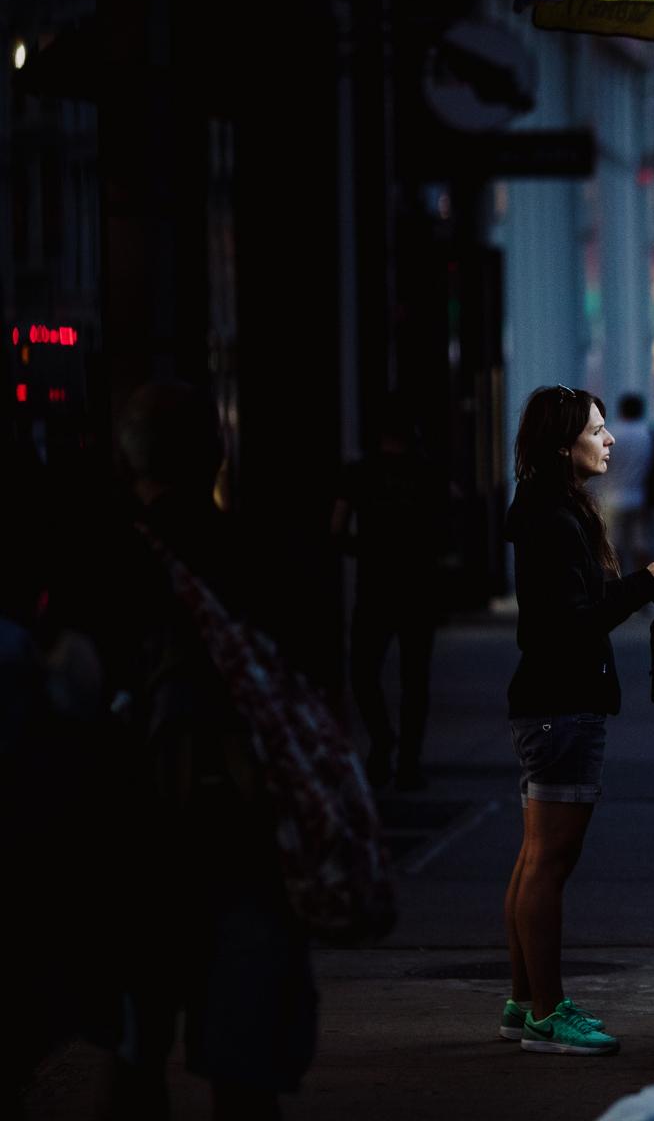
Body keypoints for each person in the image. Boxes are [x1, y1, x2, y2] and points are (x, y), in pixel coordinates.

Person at [97, 382, 318, 1116]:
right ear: (217, 455)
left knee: (136, 1055)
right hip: (246, 828)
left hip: (139, 827)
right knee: (243, 1065)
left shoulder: (113, 563)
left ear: (132, 463)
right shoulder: (257, 552)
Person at [500, 384, 654, 1056]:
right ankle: (547, 1012)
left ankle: (524, 1001)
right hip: (561, 705)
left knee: (537, 857)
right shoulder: (552, 518)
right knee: (550, 863)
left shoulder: (549, 509)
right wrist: (649, 581)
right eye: (597, 430)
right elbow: (570, 622)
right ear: (565, 445)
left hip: (552, 703)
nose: (611, 439)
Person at [331, 398, 447, 789]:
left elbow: (337, 528)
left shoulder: (359, 473)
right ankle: (409, 763)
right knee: (416, 679)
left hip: (374, 585)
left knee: (364, 672)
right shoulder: (428, 472)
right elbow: (447, 524)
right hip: (418, 587)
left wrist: (364, 548)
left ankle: (382, 742)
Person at [601, 391, 654, 570]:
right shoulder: (646, 434)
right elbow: (652, 468)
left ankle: (615, 588)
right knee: (640, 545)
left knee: (612, 548)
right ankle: (645, 587)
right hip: (638, 496)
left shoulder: (612, 433)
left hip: (613, 497)